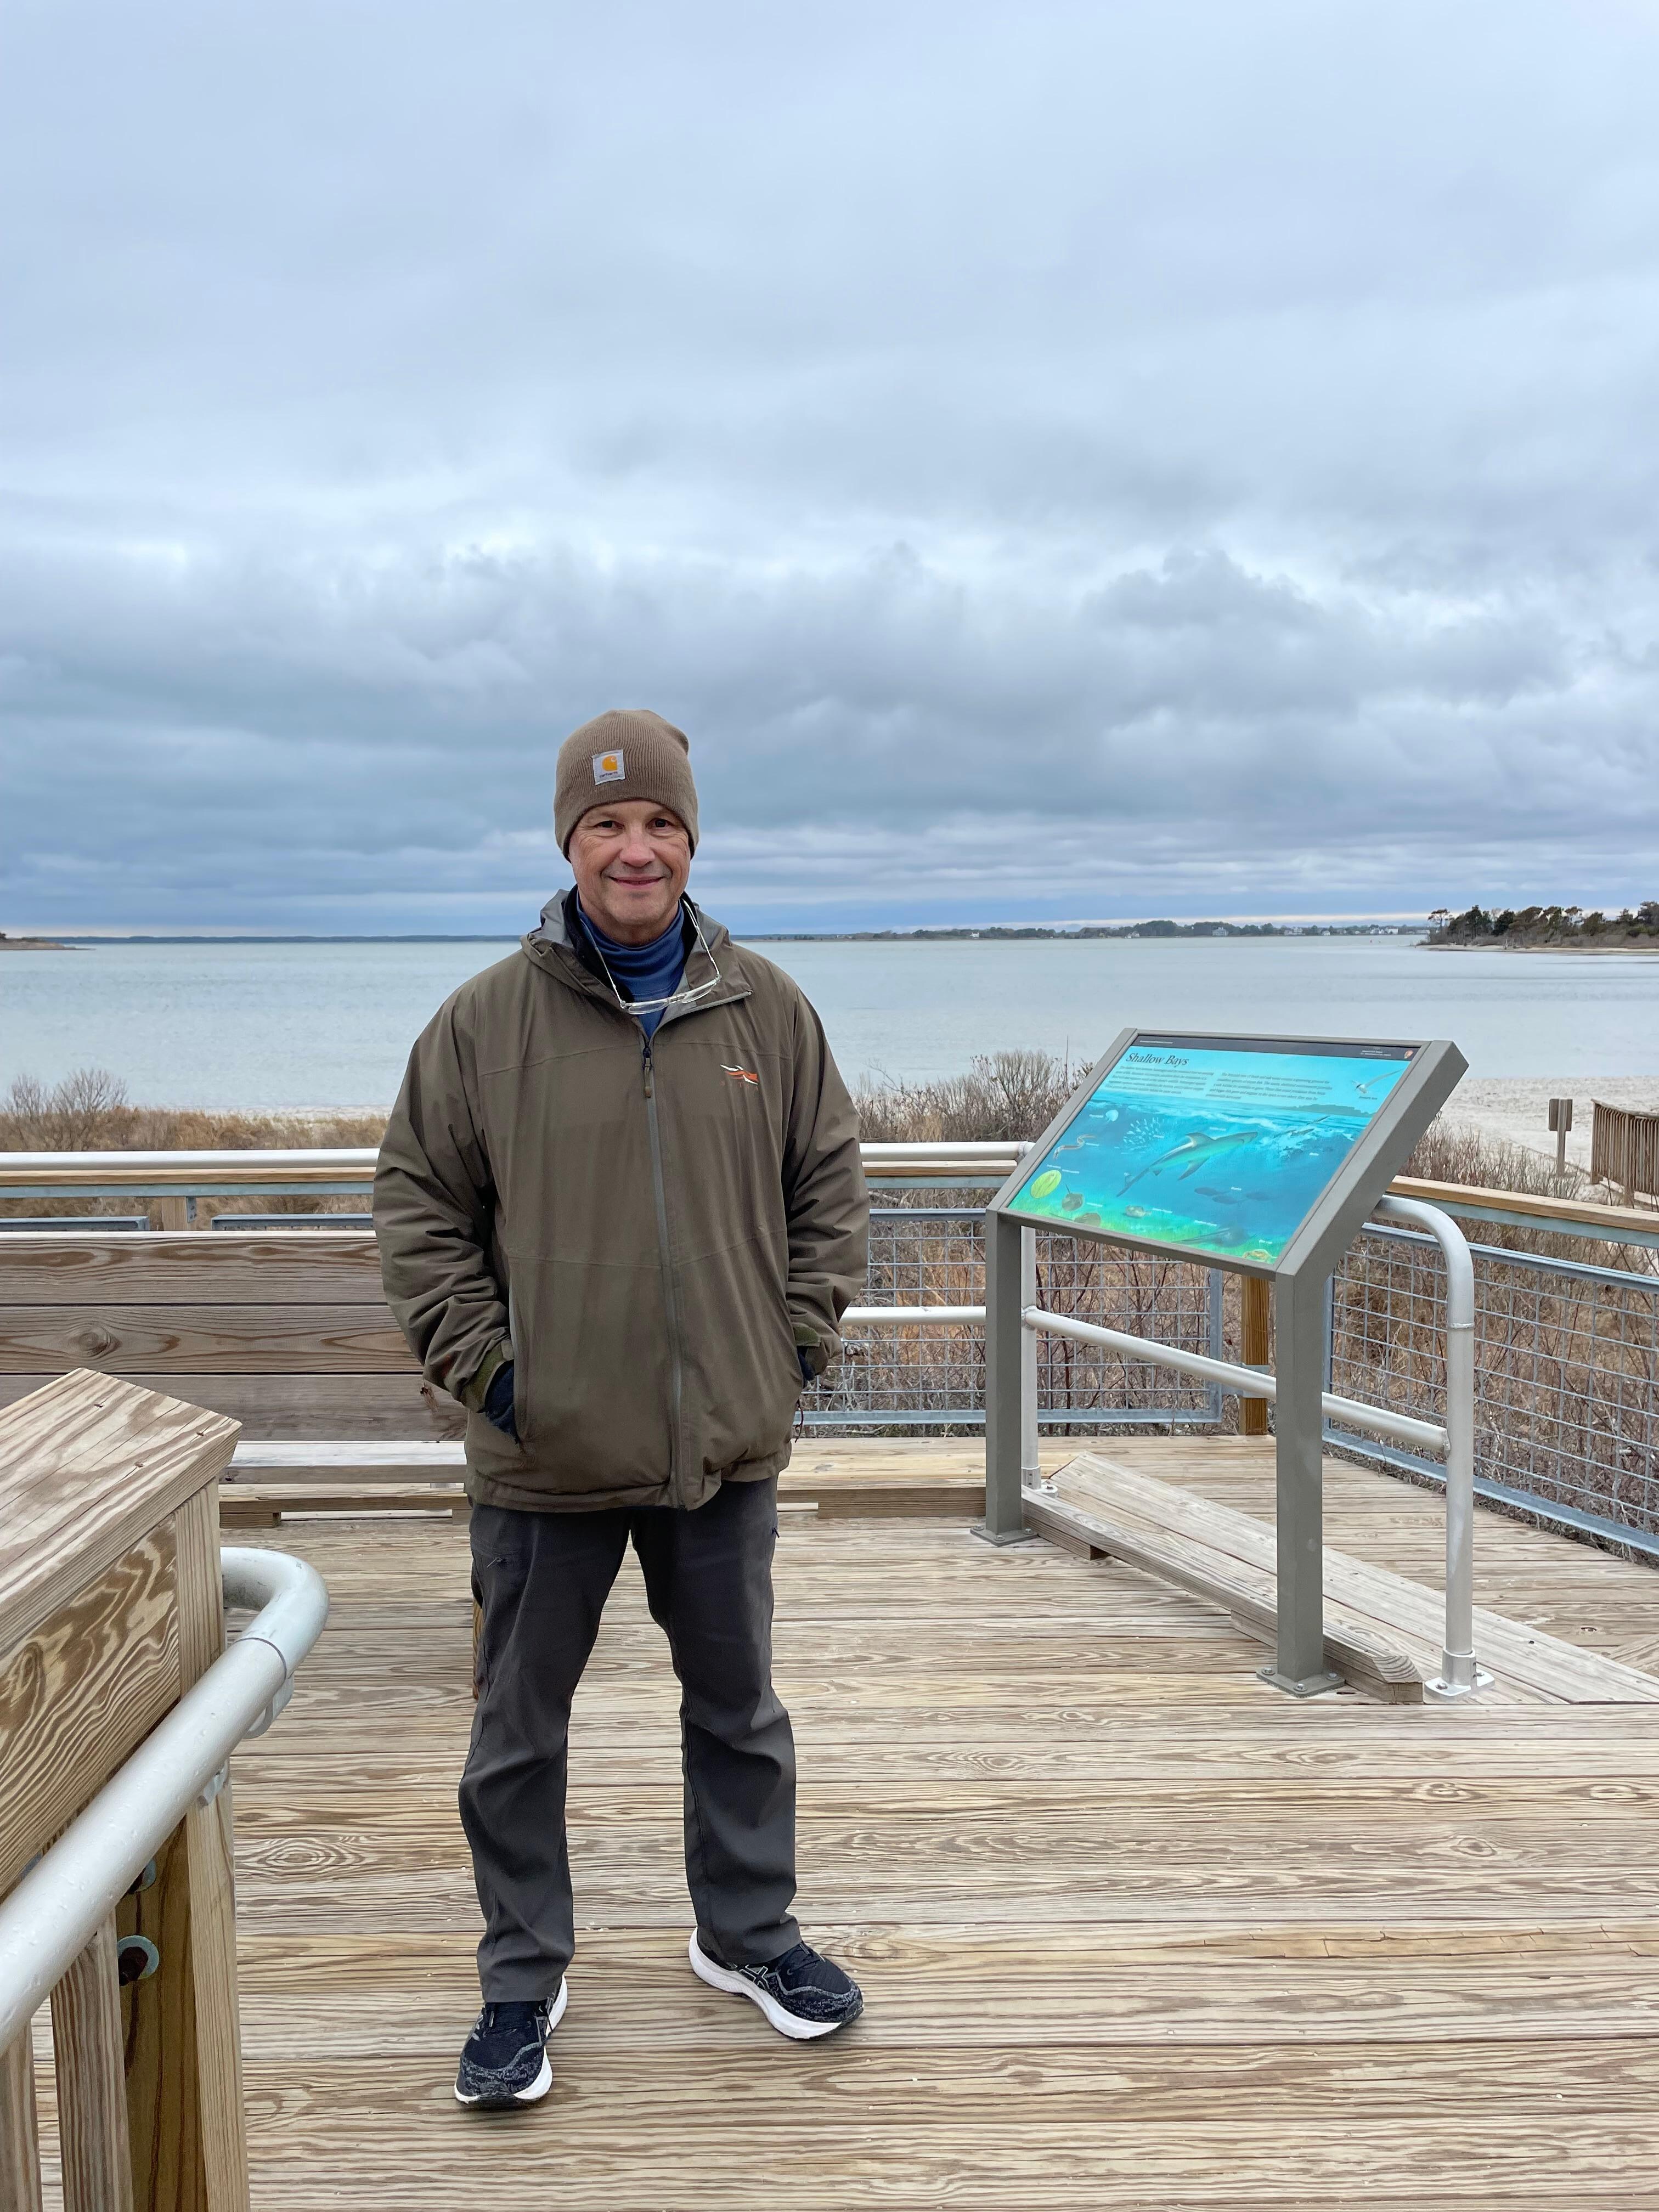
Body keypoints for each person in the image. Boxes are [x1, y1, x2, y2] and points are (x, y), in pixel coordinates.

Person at [374, 708, 871, 2111]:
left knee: (739, 1710)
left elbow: (831, 1193)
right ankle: (521, 1980)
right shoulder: (483, 1023)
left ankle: (750, 1937)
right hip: (544, 1459)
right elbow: (417, 1208)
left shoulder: (767, 1010)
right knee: (519, 1734)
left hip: (722, 1450)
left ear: (692, 839)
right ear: (569, 844)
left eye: (658, 823)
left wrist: (784, 1354)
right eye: (607, 826)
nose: (634, 848)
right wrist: (496, 1373)